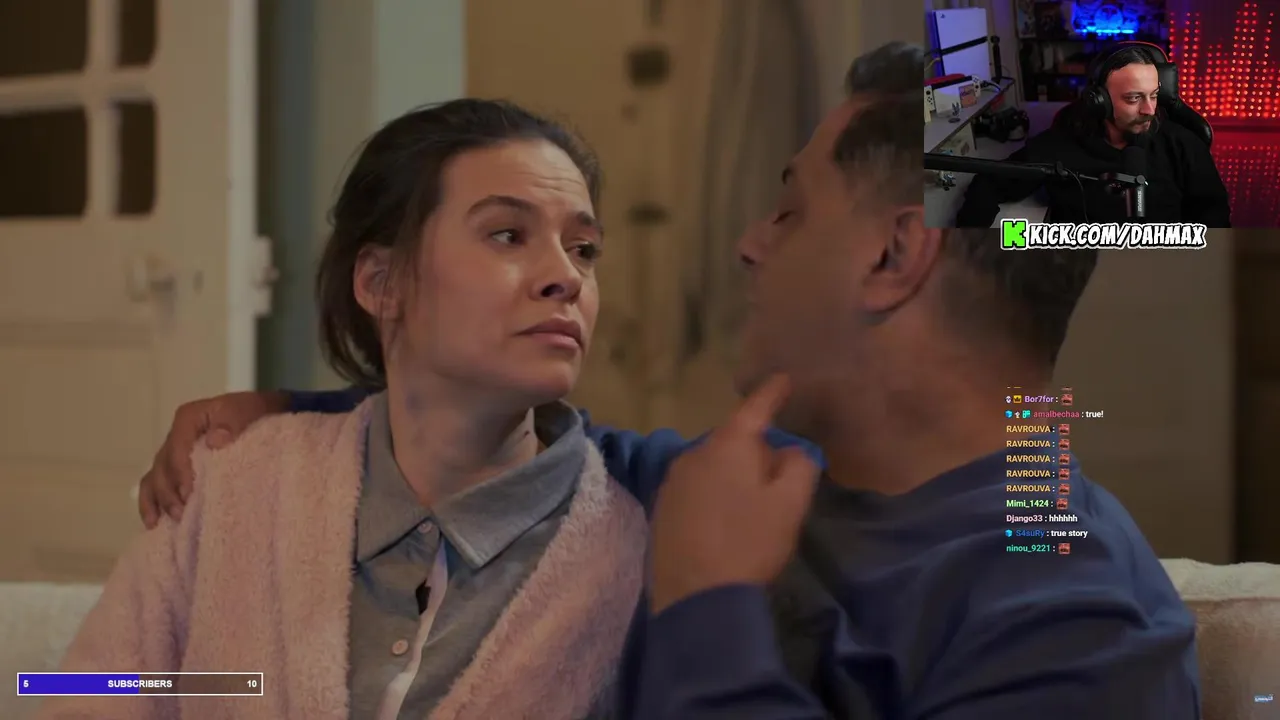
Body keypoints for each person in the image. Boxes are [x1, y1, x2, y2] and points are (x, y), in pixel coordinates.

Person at [137, 44, 1199, 719]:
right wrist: (289, 421)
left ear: (891, 256)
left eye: (789, 211)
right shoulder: (728, 482)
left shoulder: (1076, 622)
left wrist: (711, 605)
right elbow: (496, 446)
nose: (748, 244)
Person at [45, 98, 677, 720]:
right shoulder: (234, 484)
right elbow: (81, 688)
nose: (566, 276)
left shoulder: (640, 551)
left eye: (584, 248)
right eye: (508, 235)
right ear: (381, 283)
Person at [954, 42, 1231, 227]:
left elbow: (1214, 215)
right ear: (1100, 101)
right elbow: (989, 182)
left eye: (1154, 95)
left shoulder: (1182, 143)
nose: (1150, 109)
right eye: (1134, 98)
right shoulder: (1060, 144)